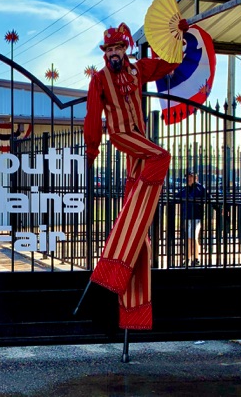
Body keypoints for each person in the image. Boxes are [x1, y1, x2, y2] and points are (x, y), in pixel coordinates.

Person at [84, 22, 181, 330]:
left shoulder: (138, 71)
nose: (112, 54)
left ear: (124, 49)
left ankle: (133, 312)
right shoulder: (99, 80)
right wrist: (91, 150)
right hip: (124, 137)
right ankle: (127, 229)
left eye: (116, 49)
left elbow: (166, 65)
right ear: (105, 54)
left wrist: (178, 40)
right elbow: (92, 116)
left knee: (140, 236)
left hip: (139, 143)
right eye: (108, 50)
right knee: (162, 156)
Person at [176, 171, 207, 267]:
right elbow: (175, 197)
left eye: (191, 176)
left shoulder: (200, 188)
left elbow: (209, 198)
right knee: (192, 238)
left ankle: (190, 259)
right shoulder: (184, 189)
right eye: (188, 177)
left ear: (196, 178)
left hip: (196, 217)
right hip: (187, 217)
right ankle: (194, 258)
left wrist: (219, 208)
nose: (189, 178)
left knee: (191, 238)